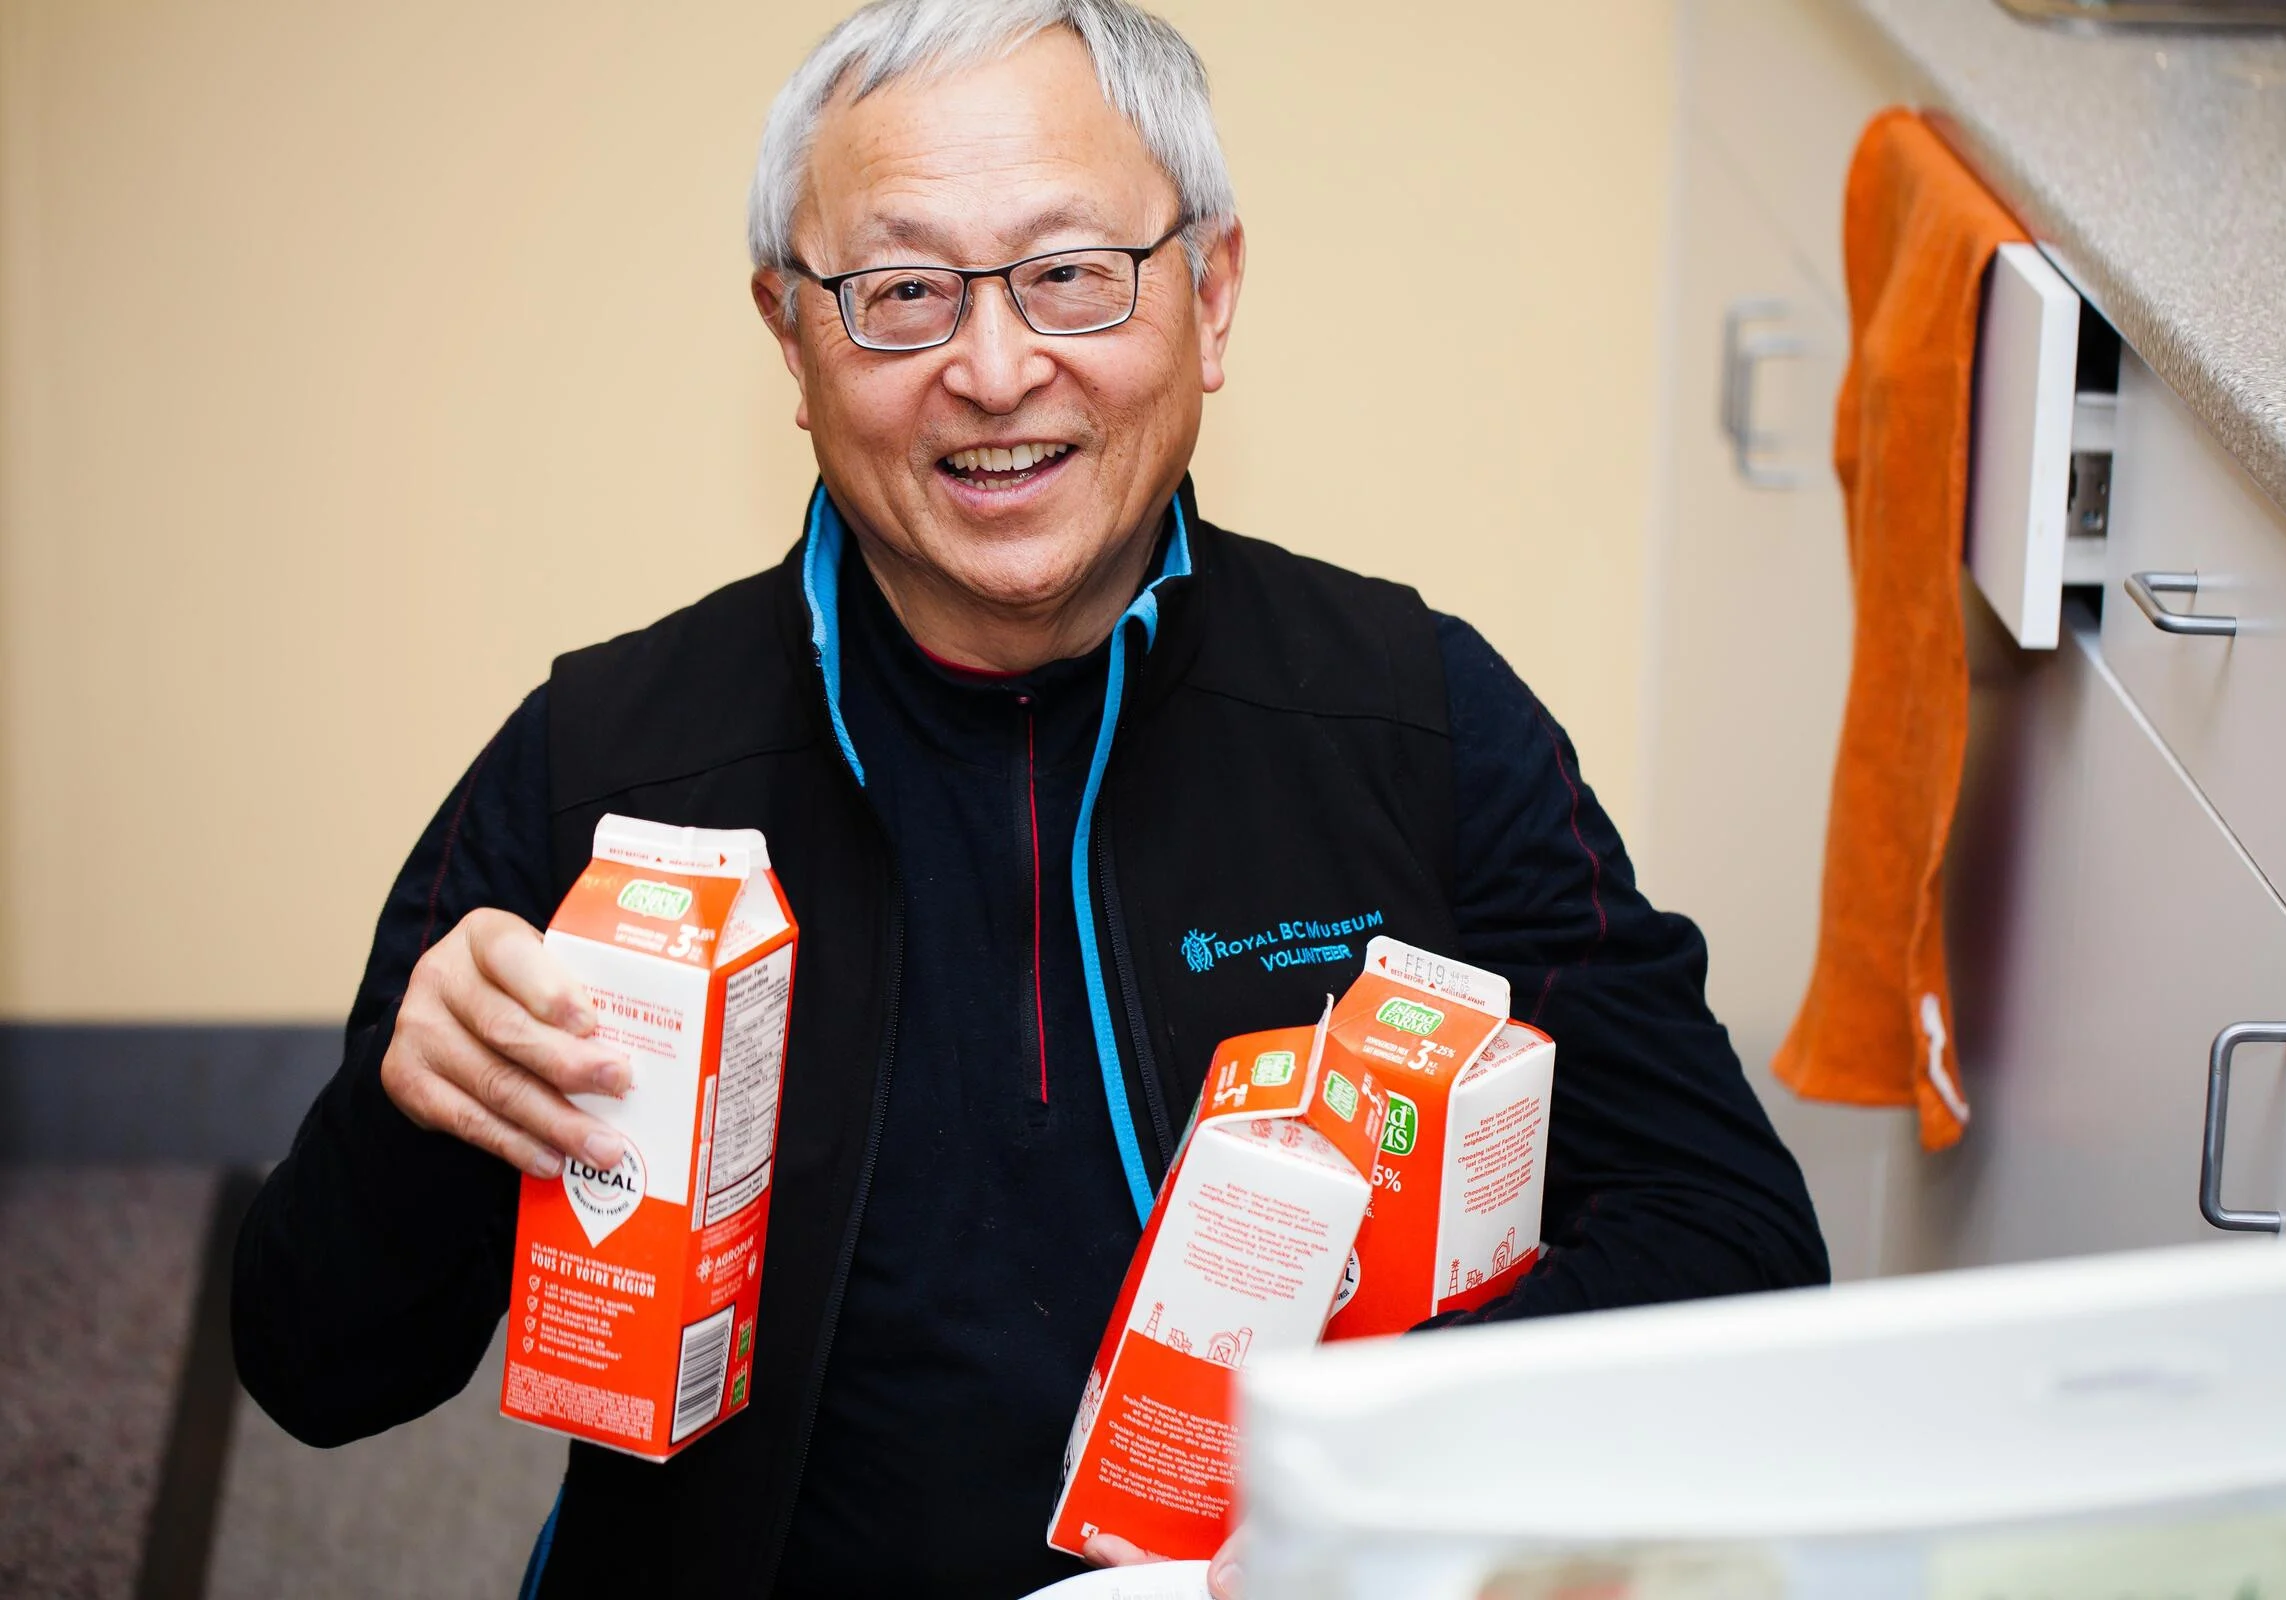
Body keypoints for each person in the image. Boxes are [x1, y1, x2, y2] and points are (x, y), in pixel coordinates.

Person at [230, 2, 1828, 1595]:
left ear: (1210, 296)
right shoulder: (608, 768)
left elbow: (1735, 1239)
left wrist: (1383, 1448)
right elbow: (315, 1369)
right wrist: (415, 1119)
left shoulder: (1418, 717)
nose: (995, 372)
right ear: (791, 340)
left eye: (1071, 272)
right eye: (903, 294)